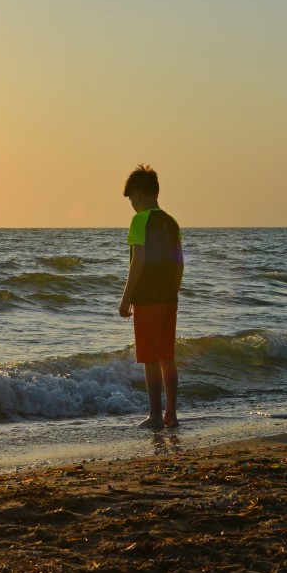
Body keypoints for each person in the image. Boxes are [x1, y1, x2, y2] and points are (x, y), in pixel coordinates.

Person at [118, 164, 184, 429]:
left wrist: (126, 298)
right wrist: (173, 291)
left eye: (132, 199)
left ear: (139, 194)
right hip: (170, 298)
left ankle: (155, 416)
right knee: (167, 356)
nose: (132, 205)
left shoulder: (140, 220)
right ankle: (172, 415)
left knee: (149, 358)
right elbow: (180, 262)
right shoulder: (171, 221)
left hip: (147, 300)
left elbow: (138, 262)